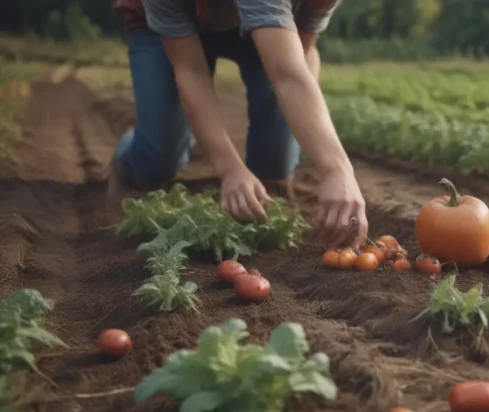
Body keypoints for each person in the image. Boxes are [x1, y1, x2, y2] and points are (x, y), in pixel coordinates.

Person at [108, 0, 368, 248]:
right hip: (163, 28)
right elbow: (190, 69)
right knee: (158, 160)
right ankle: (137, 145)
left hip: (271, 31)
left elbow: (294, 66)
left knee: (274, 165)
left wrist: (337, 169)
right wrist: (230, 169)